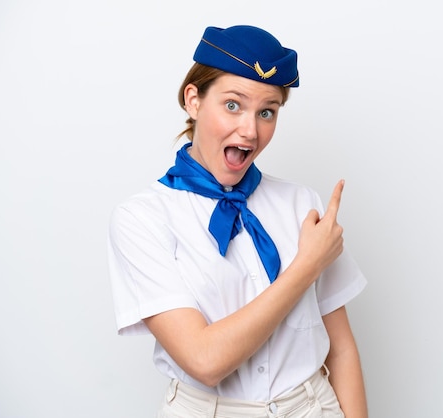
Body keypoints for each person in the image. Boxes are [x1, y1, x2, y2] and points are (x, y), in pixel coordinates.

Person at [108, 24, 368, 418]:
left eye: (267, 111)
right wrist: (306, 266)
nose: (250, 130)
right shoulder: (142, 219)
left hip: (314, 407)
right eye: (233, 105)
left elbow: (342, 347)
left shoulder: (303, 204)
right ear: (193, 100)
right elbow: (204, 360)